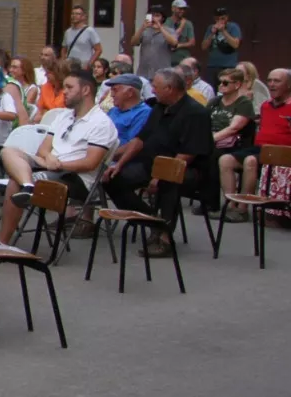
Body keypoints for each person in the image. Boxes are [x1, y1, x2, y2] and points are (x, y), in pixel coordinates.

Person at [0, 68, 117, 244]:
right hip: (50, 164)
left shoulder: (101, 123)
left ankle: (2, 242)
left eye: (69, 87)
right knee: (8, 150)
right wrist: (49, 159)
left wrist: (58, 164)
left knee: (15, 182)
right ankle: (28, 186)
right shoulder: (64, 116)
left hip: (75, 178)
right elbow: (43, 149)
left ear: (86, 90)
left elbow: (91, 163)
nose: (63, 91)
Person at [102, 67, 212, 258]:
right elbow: (139, 140)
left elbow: (188, 154)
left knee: (169, 183)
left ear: (170, 88)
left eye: (156, 87)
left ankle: (165, 239)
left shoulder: (196, 113)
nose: (152, 91)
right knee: (112, 179)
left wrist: (159, 175)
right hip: (152, 164)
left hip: (186, 168)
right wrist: (118, 165)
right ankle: (154, 222)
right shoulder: (159, 107)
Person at [236, 69, 291, 216]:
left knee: (249, 161)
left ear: (289, 85)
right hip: (260, 148)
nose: (272, 85)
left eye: (277, 81)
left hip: (281, 151)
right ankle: (232, 205)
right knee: (225, 160)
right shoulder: (265, 105)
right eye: (270, 80)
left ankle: (242, 209)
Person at [208, 67, 255, 218]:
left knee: (212, 155)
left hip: (234, 145)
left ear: (237, 85)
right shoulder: (215, 101)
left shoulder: (243, 103)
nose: (220, 85)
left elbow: (234, 128)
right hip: (213, 141)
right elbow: (201, 121)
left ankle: (233, 206)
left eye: (225, 82)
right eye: (219, 82)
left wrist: (210, 139)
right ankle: (210, 202)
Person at [103, 74, 153, 146]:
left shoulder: (144, 113)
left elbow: (130, 145)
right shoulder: (113, 110)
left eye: (115, 90)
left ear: (130, 92)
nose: (111, 95)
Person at [201, 8, 242, 86]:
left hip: (229, 66)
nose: (220, 21)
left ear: (227, 17)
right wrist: (212, 34)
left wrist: (223, 31)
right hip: (212, 65)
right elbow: (203, 47)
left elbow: (235, 44)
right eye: (217, 18)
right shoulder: (211, 28)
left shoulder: (233, 27)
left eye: (222, 18)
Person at [134, 6, 170, 79]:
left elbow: (174, 43)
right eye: (152, 15)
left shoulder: (169, 30)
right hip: (144, 72)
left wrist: (160, 27)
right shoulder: (144, 30)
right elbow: (133, 42)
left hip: (162, 72)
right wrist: (142, 28)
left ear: (162, 18)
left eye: (157, 16)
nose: (154, 18)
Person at [31, 58, 68, 124]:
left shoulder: (69, 90)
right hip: (44, 123)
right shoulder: (45, 87)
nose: (45, 75)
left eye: (48, 73)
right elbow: (39, 110)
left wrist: (46, 112)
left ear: (58, 74)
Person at [163, 0, 195, 67]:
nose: (182, 11)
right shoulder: (166, 22)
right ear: (173, 9)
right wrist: (181, 26)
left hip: (182, 59)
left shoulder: (188, 23)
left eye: (184, 9)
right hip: (167, 59)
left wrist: (179, 45)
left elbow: (192, 42)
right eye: (180, 9)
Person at [7, 56, 37, 124]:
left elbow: (24, 108)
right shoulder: (9, 85)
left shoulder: (32, 89)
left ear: (24, 70)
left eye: (14, 67)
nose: (11, 70)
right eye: (10, 67)